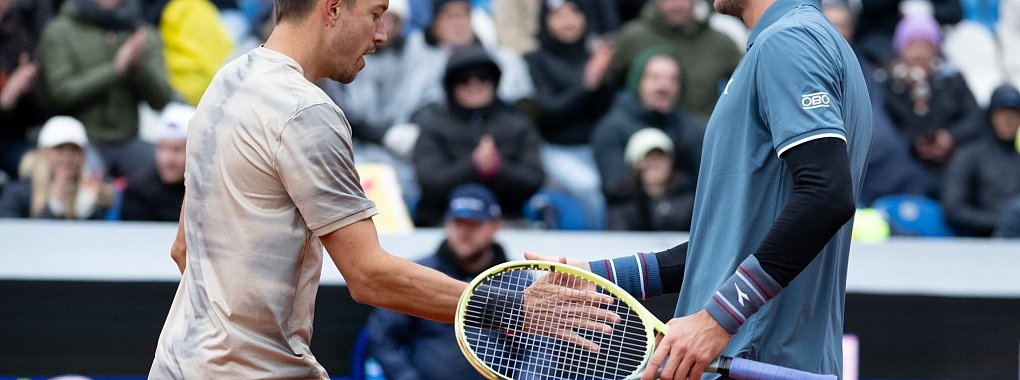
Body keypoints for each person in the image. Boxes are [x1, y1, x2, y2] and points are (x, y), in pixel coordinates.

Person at [147, 1, 611, 378]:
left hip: (175, 362)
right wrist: (515, 307)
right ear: (332, 10)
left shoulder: (227, 81)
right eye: (375, 13)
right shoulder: (307, 112)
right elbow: (369, 276)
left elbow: (183, 247)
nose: (383, 34)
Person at [532, 0, 872, 377]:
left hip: (749, 358)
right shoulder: (807, 41)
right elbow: (726, 248)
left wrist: (717, 319)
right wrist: (597, 276)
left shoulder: (789, 41)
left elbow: (827, 193)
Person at [366, 183, 513, 380]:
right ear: (447, 223)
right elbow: (381, 335)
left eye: (475, 224)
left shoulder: (517, 279)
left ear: (495, 227)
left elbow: (538, 347)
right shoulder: (419, 274)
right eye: (458, 222)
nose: (465, 232)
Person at [411, 45, 545, 227]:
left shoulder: (518, 125)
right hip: (443, 222)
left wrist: (498, 169)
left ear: (494, 83)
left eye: (482, 78)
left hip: (507, 223)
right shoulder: (433, 125)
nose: (473, 85)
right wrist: (473, 165)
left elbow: (534, 179)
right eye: (463, 80)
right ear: (451, 86)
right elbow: (429, 182)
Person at [38, 0, 172, 177]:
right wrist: (116, 70)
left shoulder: (141, 32)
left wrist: (138, 67)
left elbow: (161, 100)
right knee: (88, 180)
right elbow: (60, 94)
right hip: (81, 142)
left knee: (169, 172)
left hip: (129, 140)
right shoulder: (60, 30)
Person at [525, 0, 615, 229]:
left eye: (574, 12)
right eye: (558, 14)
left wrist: (604, 79)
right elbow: (548, 111)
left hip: (595, 146)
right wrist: (587, 84)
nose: (568, 21)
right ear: (545, 19)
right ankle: (597, 253)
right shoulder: (534, 60)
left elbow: (606, 111)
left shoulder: (593, 55)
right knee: (589, 188)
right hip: (554, 148)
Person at [880, 13, 985, 194]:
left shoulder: (952, 79)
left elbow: (975, 117)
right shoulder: (889, 83)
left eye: (926, 46)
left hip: (953, 161)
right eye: (912, 45)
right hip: (906, 163)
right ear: (901, 48)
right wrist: (914, 142)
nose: (919, 54)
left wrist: (950, 137)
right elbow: (884, 125)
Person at [592, 48, 702, 206]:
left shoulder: (690, 129)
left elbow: (703, 184)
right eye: (654, 78)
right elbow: (613, 186)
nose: (664, 87)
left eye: (673, 80)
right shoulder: (611, 129)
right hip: (629, 220)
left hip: (683, 220)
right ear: (637, 82)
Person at [609, 0, 742, 119]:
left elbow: (747, 83)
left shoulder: (720, 43)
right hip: (644, 131)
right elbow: (604, 86)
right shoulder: (633, 37)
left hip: (702, 133)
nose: (675, 5)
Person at [941, 84, 1020, 236]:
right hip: (981, 244)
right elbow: (953, 209)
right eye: (1002, 113)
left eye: (1014, 114)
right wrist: (1005, 221)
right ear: (990, 116)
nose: (1008, 120)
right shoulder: (969, 156)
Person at [0, 115, 112, 219]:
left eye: (74, 150)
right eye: (59, 149)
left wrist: (88, 210)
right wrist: (53, 206)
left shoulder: (95, 193)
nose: (67, 156)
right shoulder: (18, 193)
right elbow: (11, 234)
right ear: (43, 153)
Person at [0, 0, 53, 180]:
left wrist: (28, 89)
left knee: (42, 172)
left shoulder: (20, 37)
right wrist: (4, 100)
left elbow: (41, 110)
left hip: (14, 140)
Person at [607, 128, 695, 231]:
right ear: (634, 165)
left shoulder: (691, 202)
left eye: (659, 157)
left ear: (671, 162)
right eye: (647, 158)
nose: (654, 164)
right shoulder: (621, 205)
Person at [118, 103, 192, 222]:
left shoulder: (207, 191)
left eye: (177, 150)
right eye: (162, 148)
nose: (168, 159)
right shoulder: (138, 188)